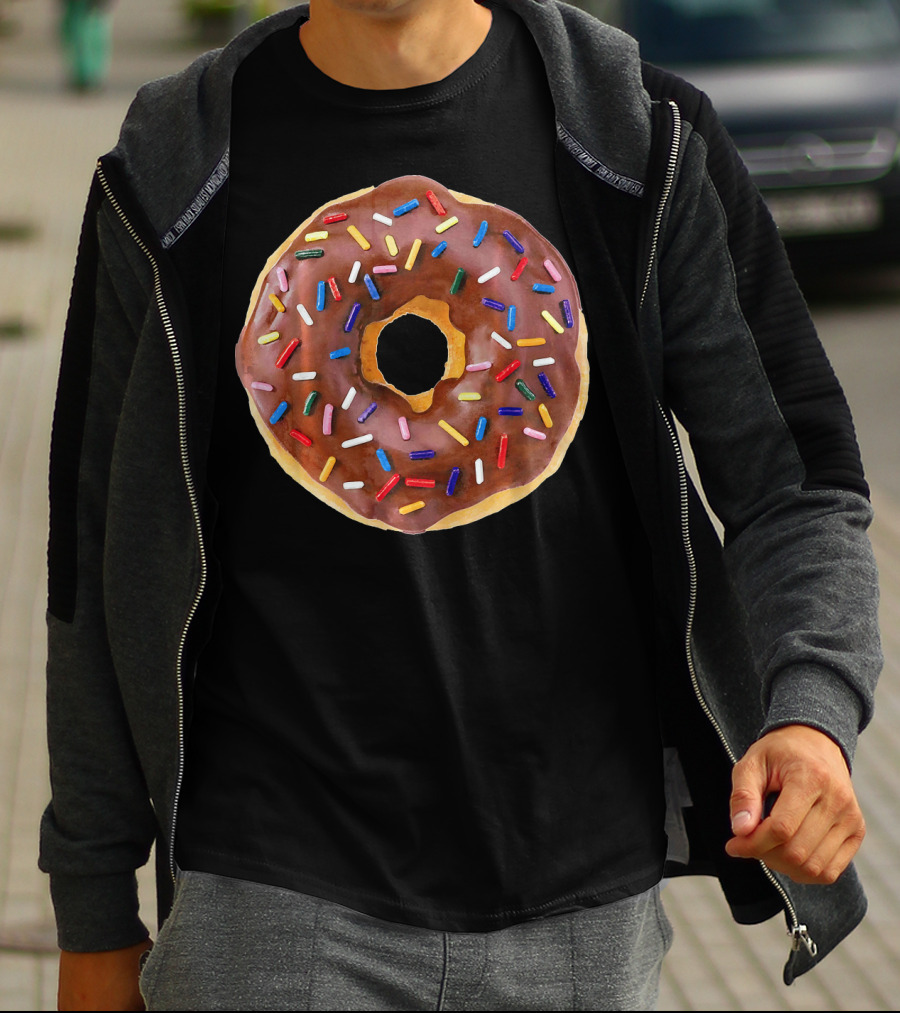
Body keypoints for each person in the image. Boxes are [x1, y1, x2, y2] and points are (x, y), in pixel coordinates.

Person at [41, 1, 881, 1010]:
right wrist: (93, 908)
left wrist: (813, 716)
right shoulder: (174, 166)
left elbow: (796, 480)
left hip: (583, 896)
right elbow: (90, 557)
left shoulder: (636, 136)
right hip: (270, 894)